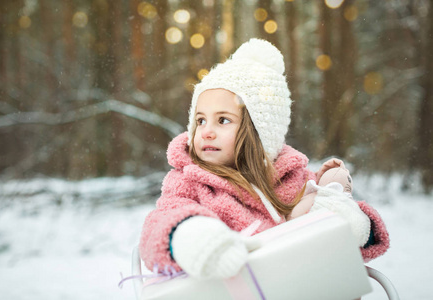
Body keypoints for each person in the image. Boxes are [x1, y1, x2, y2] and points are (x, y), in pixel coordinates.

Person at [139, 38, 389, 280]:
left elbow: (362, 243)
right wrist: (189, 235)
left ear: (260, 132)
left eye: (223, 120)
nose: (206, 131)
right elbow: (158, 227)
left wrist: (350, 222)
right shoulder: (188, 182)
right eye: (200, 120)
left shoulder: (293, 177)